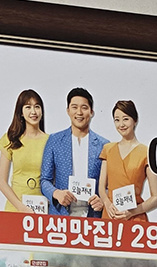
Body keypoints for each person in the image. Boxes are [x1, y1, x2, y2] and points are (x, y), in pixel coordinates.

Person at [39, 88, 107, 216]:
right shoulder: (54, 140)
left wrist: (103, 200)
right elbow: (44, 180)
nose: (79, 112)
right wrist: (56, 193)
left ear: (91, 112)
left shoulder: (104, 145)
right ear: (68, 111)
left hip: (93, 216)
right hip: (61, 215)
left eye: (84, 108)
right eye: (74, 107)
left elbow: (111, 185)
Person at [97, 100, 157, 223]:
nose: (121, 124)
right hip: (110, 214)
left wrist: (132, 212)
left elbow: (156, 197)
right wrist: (107, 204)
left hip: (135, 218)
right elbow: (101, 187)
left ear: (135, 120)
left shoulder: (146, 152)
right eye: (117, 120)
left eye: (125, 119)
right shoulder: (108, 149)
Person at [0, 90, 47, 213]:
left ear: (42, 111)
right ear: (21, 112)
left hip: (41, 209)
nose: (33, 111)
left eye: (37, 106)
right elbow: (1, 182)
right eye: (28, 107)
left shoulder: (50, 141)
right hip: (15, 208)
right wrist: (21, 208)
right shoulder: (10, 138)